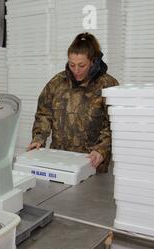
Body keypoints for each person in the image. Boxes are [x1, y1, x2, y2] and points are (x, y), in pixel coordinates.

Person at [28, 32, 119, 173]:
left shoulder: (108, 85)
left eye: (82, 65)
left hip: (92, 163)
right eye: (72, 65)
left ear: (93, 61)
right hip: (59, 161)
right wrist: (38, 138)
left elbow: (115, 123)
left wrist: (101, 149)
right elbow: (44, 113)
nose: (76, 71)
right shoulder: (57, 83)